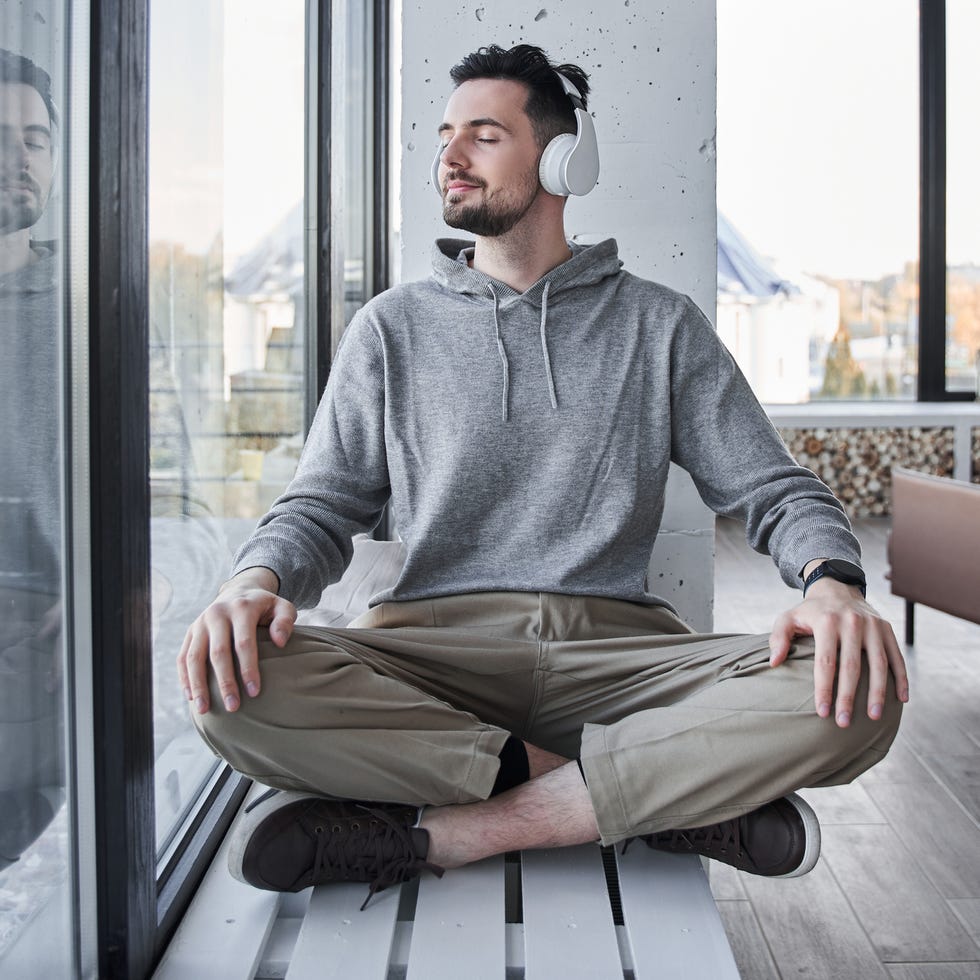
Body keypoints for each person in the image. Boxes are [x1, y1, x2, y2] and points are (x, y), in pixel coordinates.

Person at [179, 44, 908, 905]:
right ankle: (646, 797)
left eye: (483, 135)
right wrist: (253, 580)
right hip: (428, 653)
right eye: (446, 135)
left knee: (861, 689)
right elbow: (321, 503)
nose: (449, 157)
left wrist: (833, 586)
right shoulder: (389, 329)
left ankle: (453, 834)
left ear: (564, 159)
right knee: (228, 689)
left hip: (622, 658)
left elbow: (773, 488)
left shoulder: (659, 325)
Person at [0, 48, 63, 871]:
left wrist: (124, 587)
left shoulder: (91, 312)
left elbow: (179, 503)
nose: (19, 156)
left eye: (37, 139)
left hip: (40, 640)